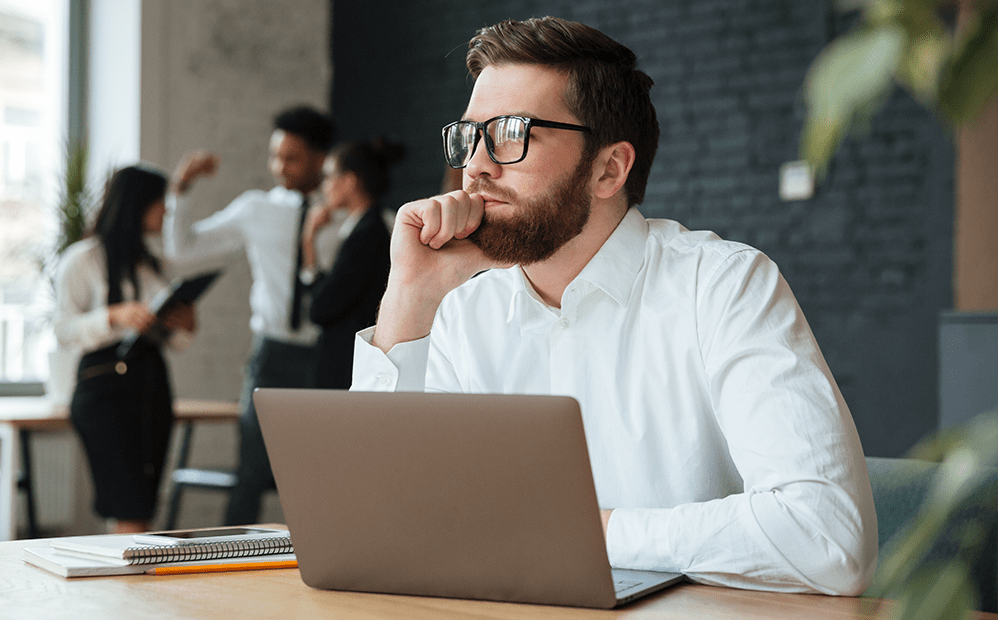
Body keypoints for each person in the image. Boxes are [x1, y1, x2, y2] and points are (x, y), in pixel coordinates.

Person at [350, 17, 878, 595]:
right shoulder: (459, 310)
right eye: (469, 135)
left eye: (510, 133)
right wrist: (410, 292)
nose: (475, 165)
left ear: (609, 169)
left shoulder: (721, 287)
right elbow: (371, 524)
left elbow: (828, 537)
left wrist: (582, 533)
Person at [165, 105, 341, 526]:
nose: (279, 167)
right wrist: (180, 191)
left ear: (320, 158)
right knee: (251, 470)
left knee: (326, 474)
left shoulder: (348, 213)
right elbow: (183, 250)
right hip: (272, 356)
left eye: (291, 157)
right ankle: (230, 563)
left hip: (328, 356)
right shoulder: (255, 209)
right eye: (275, 156)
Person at [55, 165, 197, 534]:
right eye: (159, 202)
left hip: (151, 388)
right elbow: (64, 331)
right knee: (129, 505)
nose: (165, 211)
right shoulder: (83, 259)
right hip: (105, 389)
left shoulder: (153, 264)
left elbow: (175, 343)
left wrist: (184, 326)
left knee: (144, 507)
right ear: (138, 204)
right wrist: (114, 317)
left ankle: (129, 586)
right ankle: (129, 588)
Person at [300, 137, 401, 388]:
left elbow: (322, 309)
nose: (324, 186)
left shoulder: (367, 235)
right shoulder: (366, 228)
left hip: (346, 366)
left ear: (349, 181)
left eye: (328, 176)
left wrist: (309, 240)